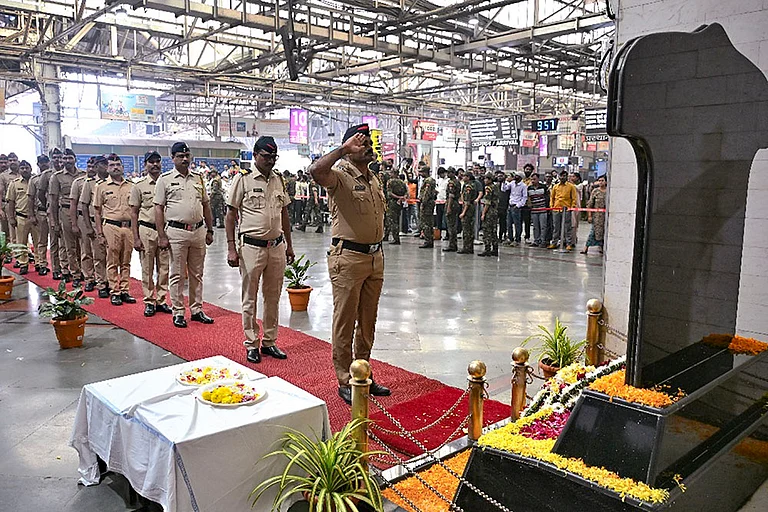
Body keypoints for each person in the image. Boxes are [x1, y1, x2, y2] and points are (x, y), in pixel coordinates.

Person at [309, 123, 391, 406]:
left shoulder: (373, 178)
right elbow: (315, 171)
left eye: (368, 140)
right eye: (360, 140)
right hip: (349, 257)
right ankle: (344, 378)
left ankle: (362, 372)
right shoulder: (339, 175)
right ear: (347, 147)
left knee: (368, 322)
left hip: (374, 258)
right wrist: (343, 150)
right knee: (345, 320)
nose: (367, 144)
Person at [226, 136, 293, 363]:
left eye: (274, 157)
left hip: (276, 247)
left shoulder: (279, 180)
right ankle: (251, 343)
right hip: (251, 248)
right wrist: (231, 248)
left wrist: (289, 246)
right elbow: (230, 214)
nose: (271, 161)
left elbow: (284, 214)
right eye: (266, 156)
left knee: (273, 297)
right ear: (255, 155)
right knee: (250, 298)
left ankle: (270, 342)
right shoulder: (242, 180)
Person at [155, 142, 215, 328]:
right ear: (172, 158)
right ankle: (178, 311)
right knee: (177, 274)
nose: (185, 159)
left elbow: (206, 205)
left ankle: (196, 309)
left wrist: (210, 229)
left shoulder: (198, 178)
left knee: (197, 273)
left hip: (198, 231)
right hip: (176, 232)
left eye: (187, 155)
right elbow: (158, 208)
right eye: (180, 156)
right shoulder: (164, 180)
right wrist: (162, 235)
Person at [130, 151, 172, 316]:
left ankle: (161, 300)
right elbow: (134, 213)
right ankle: (149, 300)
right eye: (151, 162)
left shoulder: (168, 183)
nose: (155, 165)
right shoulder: (138, 186)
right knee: (147, 268)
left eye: (157, 161)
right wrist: (136, 238)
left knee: (164, 268)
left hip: (165, 230)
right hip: (146, 229)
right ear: (145, 165)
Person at [94, 154, 136, 306]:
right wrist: (99, 233)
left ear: (123, 167)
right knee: (112, 260)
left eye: (118, 164)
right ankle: (114, 291)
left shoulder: (132, 186)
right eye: (112, 165)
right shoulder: (101, 187)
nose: (116, 167)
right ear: (107, 168)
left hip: (128, 227)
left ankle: (125, 290)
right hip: (111, 226)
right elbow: (97, 212)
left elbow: (136, 210)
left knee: (126, 261)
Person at [49, 148, 84, 284]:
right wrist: (54, 221)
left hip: (81, 212)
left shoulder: (83, 175)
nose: (67, 161)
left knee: (83, 244)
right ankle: (74, 274)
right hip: (65, 211)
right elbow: (52, 201)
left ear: (75, 159)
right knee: (69, 245)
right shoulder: (57, 177)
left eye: (70, 158)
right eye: (65, 158)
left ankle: (84, 271)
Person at [79, 155, 110, 298]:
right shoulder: (90, 183)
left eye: (106, 164)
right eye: (103, 164)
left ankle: (113, 283)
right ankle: (101, 283)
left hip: (111, 223)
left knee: (113, 256)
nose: (106, 166)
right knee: (98, 255)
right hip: (94, 222)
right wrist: (88, 227)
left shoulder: (113, 182)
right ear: (97, 167)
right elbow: (84, 206)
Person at [70, 157, 96, 291]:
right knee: (86, 250)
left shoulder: (103, 182)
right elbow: (73, 204)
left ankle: (103, 278)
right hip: (84, 219)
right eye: (89, 166)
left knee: (101, 252)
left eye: (94, 166)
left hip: (100, 220)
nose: (91, 169)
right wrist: (74, 224)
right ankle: (89, 278)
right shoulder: (79, 182)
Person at [5, 160, 33, 273]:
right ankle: (23, 264)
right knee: (21, 242)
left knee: (39, 242)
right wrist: (11, 218)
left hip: (35, 217)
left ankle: (40, 263)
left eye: (27, 168)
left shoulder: (35, 181)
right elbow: (10, 202)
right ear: (19, 170)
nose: (25, 170)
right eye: (22, 168)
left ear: (31, 169)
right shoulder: (14, 183)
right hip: (21, 216)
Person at [27, 155, 50, 275]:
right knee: (42, 240)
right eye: (41, 162)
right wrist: (31, 215)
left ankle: (62, 266)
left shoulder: (53, 176)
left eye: (46, 162)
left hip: (55, 212)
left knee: (58, 242)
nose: (44, 164)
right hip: (41, 211)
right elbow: (30, 198)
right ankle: (42, 263)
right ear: (38, 164)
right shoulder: (34, 179)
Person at [548, 169, 578, 250]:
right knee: (556, 227)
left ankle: (568, 243)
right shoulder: (555, 186)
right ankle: (554, 243)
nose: (562, 177)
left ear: (567, 177)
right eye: (561, 176)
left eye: (564, 176)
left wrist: (572, 207)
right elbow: (552, 197)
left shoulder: (571, 186)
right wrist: (552, 207)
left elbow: (574, 198)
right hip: (556, 209)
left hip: (566, 210)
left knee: (567, 227)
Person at [581, 175, 607, 255]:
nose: (600, 182)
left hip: (606, 217)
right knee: (593, 232)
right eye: (599, 181)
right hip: (597, 217)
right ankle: (586, 248)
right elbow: (590, 204)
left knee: (604, 233)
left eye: (602, 180)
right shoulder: (595, 191)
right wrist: (589, 216)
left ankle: (601, 247)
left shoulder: (609, 191)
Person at [502, 172, 528, 246]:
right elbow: (504, 189)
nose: (515, 177)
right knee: (509, 223)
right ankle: (510, 238)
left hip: (516, 206)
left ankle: (517, 239)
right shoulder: (512, 183)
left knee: (517, 224)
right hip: (510, 205)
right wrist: (503, 182)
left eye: (517, 176)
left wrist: (518, 205)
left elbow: (524, 197)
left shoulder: (523, 186)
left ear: (520, 177)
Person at [478, 172, 499, 257]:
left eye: (486, 178)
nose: (484, 180)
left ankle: (487, 249)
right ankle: (495, 249)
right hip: (495, 210)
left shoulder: (488, 188)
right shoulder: (495, 187)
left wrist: (483, 213)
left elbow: (487, 202)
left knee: (487, 231)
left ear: (490, 179)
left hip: (489, 211)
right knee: (493, 230)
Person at [457, 172, 478, 254]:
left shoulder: (468, 186)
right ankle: (469, 247)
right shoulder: (468, 185)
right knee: (468, 228)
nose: (463, 177)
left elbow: (467, 201)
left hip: (468, 209)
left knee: (467, 229)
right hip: (469, 207)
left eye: (465, 176)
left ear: (468, 177)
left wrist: (463, 212)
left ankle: (467, 247)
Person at [385, 170, 407, 245]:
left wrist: (397, 197)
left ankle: (395, 238)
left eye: (391, 173)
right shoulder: (402, 182)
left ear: (394, 173)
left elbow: (389, 193)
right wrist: (402, 198)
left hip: (392, 202)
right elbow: (406, 193)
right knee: (396, 219)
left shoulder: (390, 182)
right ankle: (388, 236)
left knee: (392, 221)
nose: (390, 174)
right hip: (399, 203)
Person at [528, 173, 549, 247]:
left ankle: (543, 241)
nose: (533, 181)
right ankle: (536, 240)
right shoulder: (529, 188)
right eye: (531, 179)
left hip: (543, 209)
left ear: (538, 179)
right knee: (535, 227)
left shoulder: (543, 187)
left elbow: (547, 198)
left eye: (534, 179)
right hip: (534, 210)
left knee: (543, 226)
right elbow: (529, 199)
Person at [418, 166, 436, 249]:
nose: (420, 174)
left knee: (426, 222)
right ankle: (429, 239)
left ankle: (428, 240)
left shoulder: (428, 180)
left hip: (427, 204)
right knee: (428, 222)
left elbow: (427, 193)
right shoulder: (430, 180)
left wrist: (423, 203)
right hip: (429, 203)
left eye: (422, 172)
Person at [442, 168, 460, 252]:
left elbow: (451, 196)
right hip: (455, 204)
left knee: (451, 225)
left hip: (452, 204)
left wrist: (448, 207)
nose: (448, 174)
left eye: (449, 173)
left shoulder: (452, 183)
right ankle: (453, 244)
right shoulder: (457, 181)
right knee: (452, 225)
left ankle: (452, 245)